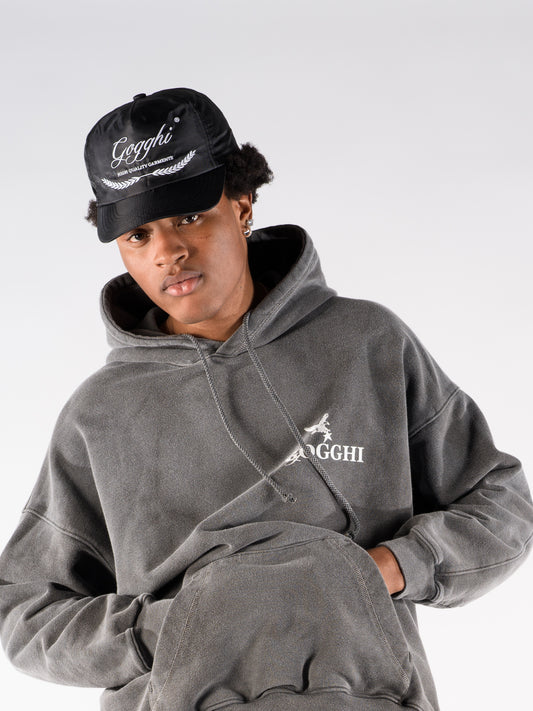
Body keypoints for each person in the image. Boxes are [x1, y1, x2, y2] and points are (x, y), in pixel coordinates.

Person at [0, 87, 531, 711]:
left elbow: (501, 503)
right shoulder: (99, 415)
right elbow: (25, 610)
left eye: (188, 216)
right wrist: (163, 632)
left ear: (242, 204)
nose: (167, 252)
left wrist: (392, 568)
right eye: (138, 234)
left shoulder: (367, 344)